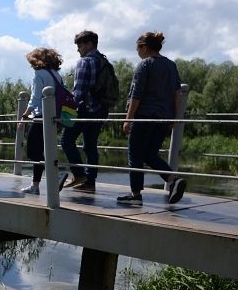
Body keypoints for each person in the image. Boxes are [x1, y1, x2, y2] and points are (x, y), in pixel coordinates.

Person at [118, 31, 186, 205]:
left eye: (137, 49)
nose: (137, 52)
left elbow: (136, 94)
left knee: (135, 155)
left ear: (145, 47)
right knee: (149, 154)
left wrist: (128, 119)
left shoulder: (145, 65)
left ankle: (135, 195)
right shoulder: (171, 65)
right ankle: (172, 179)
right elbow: (177, 93)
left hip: (143, 118)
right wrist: (175, 117)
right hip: (163, 118)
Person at [62, 30, 109, 192]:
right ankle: (90, 181)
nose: (78, 50)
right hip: (101, 110)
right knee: (90, 146)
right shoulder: (103, 61)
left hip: (86, 110)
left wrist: (64, 113)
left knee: (66, 140)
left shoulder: (85, 61)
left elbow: (79, 93)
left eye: (80, 46)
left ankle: (78, 174)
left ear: (89, 44)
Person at [18, 47, 67, 194]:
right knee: (44, 150)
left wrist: (24, 117)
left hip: (41, 117)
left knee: (33, 151)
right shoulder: (56, 74)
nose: (31, 65)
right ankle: (35, 186)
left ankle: (55, 175)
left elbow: (35, 98)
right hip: (54, 116)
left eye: (31, 61)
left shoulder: (39, 74)